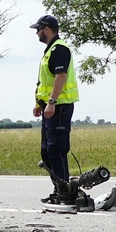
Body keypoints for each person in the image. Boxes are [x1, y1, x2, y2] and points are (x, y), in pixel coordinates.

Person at [30, 14, 79, 202]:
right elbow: (43, 81)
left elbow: (61, 77)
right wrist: (38, 103)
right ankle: (59, 188)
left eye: (38, 29)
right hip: (48, 108)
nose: (37, 33)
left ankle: (66, 192)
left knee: (57, 149)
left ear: (47, 29)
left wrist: (51, 101)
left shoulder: (59, 49)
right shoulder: (49, 51)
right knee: (47, 151)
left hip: (60, 107)